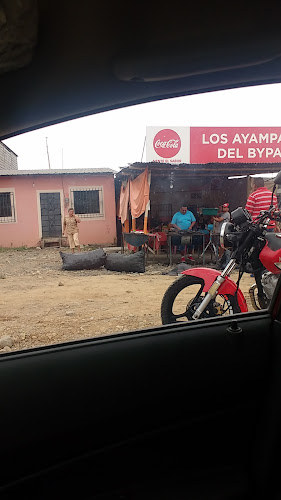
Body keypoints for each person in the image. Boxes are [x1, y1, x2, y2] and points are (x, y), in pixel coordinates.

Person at [213, 203, 231, 269]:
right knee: (219, 246)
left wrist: (213, 217)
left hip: (224, 232)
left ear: (227, 208)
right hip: (219, 232)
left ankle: (222, 260)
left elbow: (219, 219)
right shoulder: (222, 214)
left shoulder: (227, 214)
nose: (223, 208)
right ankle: (221, 260)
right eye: (223, 207)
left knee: (222, 246)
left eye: (224, 207)